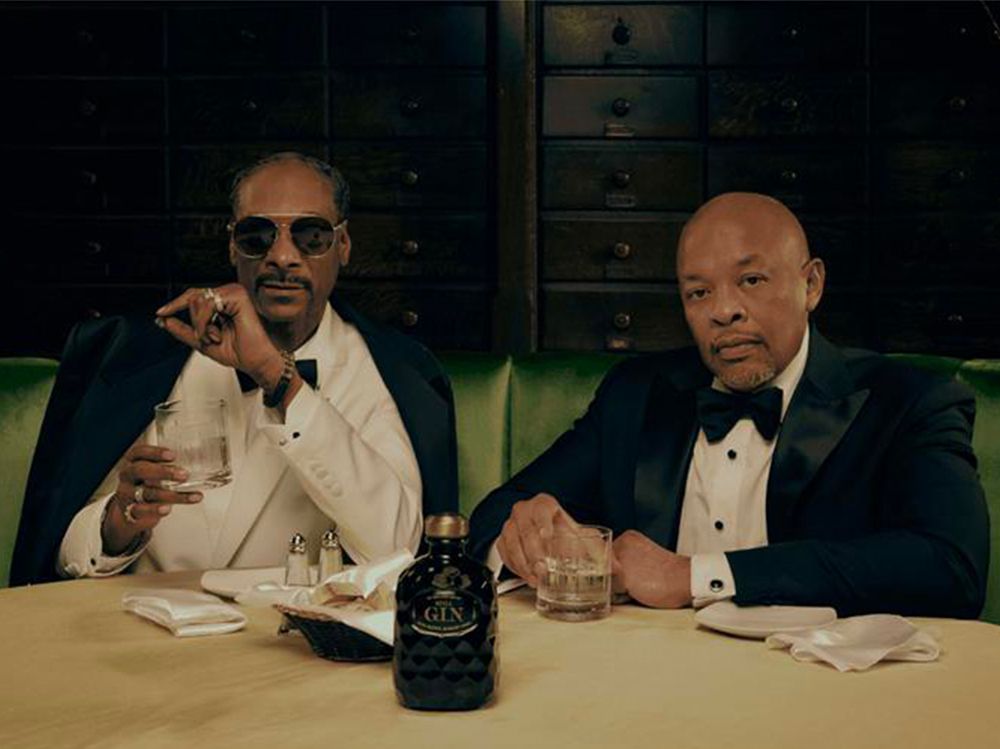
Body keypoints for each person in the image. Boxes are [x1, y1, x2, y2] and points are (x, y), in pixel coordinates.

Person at [469, 192, 989, 618]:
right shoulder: (637, 391)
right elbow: (496, 513)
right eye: (698, 292)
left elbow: (949, 569)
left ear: (811, 284)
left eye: (751, 280)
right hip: (647, 691)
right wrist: (527, 538)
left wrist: (692, 575)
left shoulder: (910, 400)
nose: (723, 311)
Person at [11, 152, 457, 585]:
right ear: (231, 246)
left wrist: (276, 377)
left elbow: (395, 548)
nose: (282, 256)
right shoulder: (132, 356)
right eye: (257, 236)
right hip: (141, 639)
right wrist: (116, 524)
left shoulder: (391, 371)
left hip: (290, 645)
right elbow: (61, 555)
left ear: (342, 246)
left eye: (311, 235)